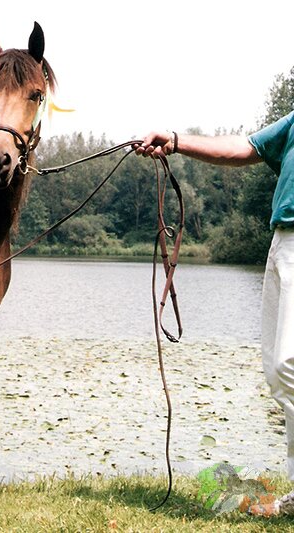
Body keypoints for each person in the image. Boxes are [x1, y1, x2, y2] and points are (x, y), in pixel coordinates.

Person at [137, 110, 294, 517]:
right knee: (278, 376)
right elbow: (245, 147)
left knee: (289, 364)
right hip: (282, 242)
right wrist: (176, 141)